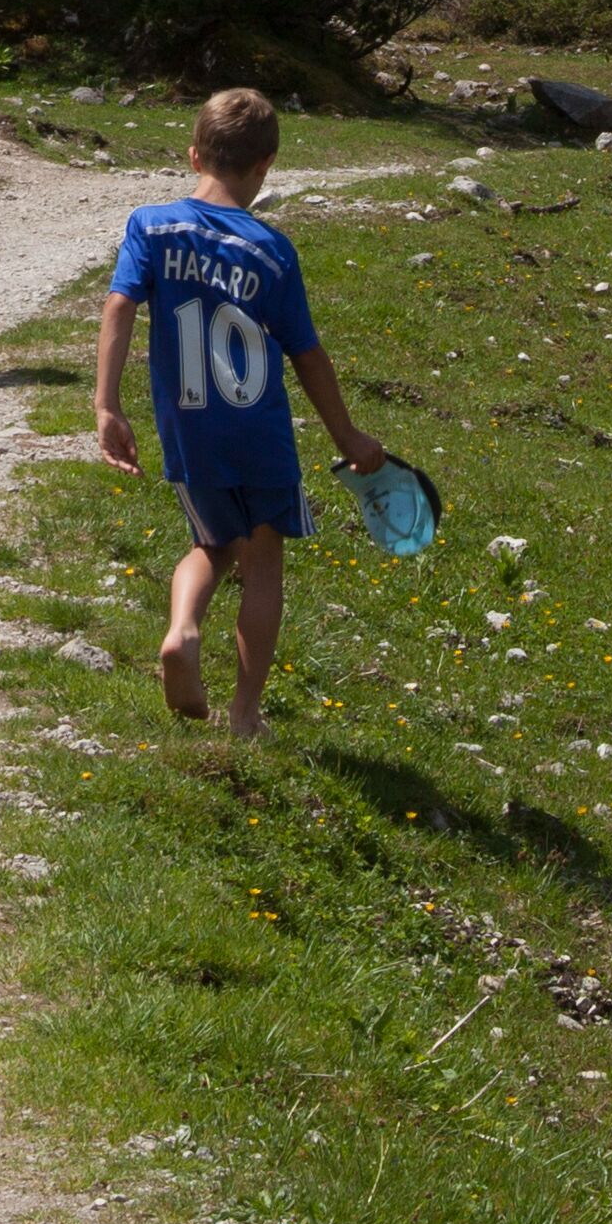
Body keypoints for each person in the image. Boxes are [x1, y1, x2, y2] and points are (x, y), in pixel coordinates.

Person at [93, 87, 387, 744]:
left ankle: (183, 631)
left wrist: (107, 404)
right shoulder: (273, 252)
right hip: (258, 434)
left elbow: (119, 306)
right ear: (266, 166)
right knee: (263, 562)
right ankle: (246, 711)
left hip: (188, 431)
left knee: (211, 543)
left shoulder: (150, 225)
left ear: (194, 153)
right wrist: (347, 434)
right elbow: (307, 355)